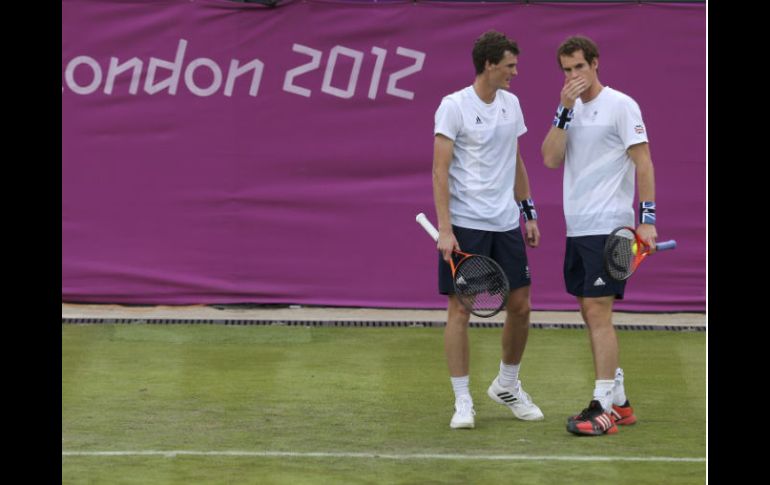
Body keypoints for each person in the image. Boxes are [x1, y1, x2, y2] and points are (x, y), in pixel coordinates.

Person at [541, 35, 655, 436]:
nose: (574, 76)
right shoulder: (567, 112)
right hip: (578, 228)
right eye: (567, 70)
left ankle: (602, 405)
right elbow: (551, 159)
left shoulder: (622, 105)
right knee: (589, 313)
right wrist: (564, 109)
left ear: (595, 63)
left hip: (611, 228)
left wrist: (648, 219)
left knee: (599, 314)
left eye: (579, 67)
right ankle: (620, 402)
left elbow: (643, 162)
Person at [432, 30, 543, 429]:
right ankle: (462, 400)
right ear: (489, 65)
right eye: (510, 65)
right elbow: (439, 171)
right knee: (460, 310)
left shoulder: (511, 105)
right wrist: (445, 229)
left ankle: (507, 384)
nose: (516, 72)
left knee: (521, 307)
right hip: (466, 226)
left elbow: (515, 160)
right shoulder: (453, 107)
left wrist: (528, 212)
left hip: (505, 224)